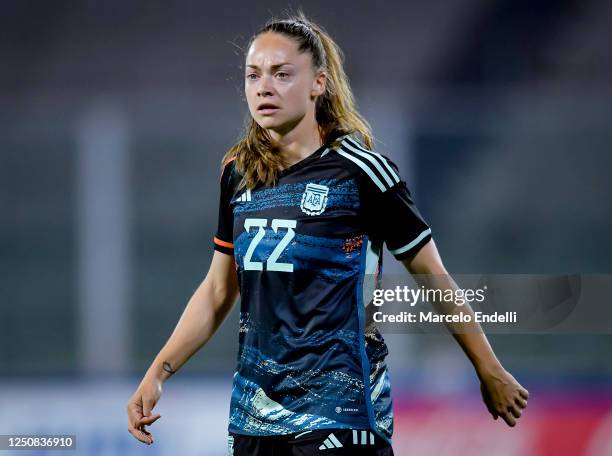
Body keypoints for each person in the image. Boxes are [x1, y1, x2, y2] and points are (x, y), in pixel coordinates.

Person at [127, 11, 529, 455]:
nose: (264, 87)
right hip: (254, 418)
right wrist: (158, 372)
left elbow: (433, 275)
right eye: (253, 75)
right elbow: (219, 290)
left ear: (319, 83)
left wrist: (488, 369)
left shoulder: (361, 173)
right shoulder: (238, 173)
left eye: (282, 74)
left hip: (341, 413)